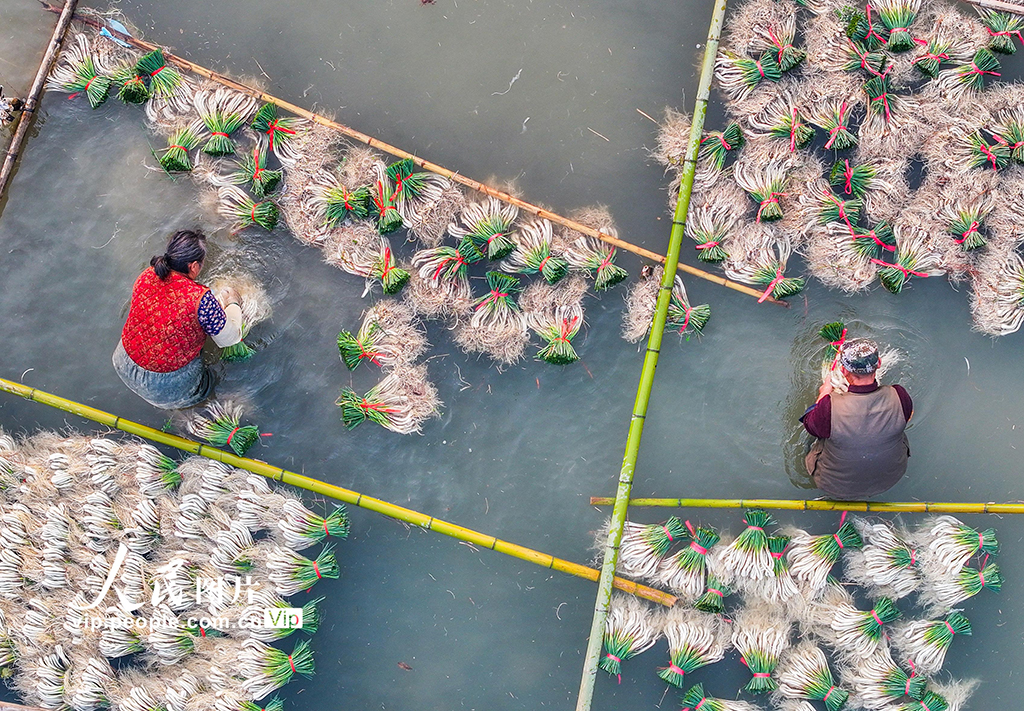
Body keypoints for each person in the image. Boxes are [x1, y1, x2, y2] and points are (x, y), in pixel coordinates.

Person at [113, 230, 243, 409]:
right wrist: (233, 303)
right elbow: (230, 339)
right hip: (164, 388)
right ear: (194, 266)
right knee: (210, 384)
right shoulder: (201, 300)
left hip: (124, 364)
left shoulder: (147, 275)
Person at [801, 338, 913, 499]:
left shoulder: (828, 406)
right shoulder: (899, 395)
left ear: (844, 370)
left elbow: (811, 425)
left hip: (834, 485)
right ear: (879, 363)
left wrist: (824, 393)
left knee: (811, 439)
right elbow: (907, 417)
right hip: (890, 479)